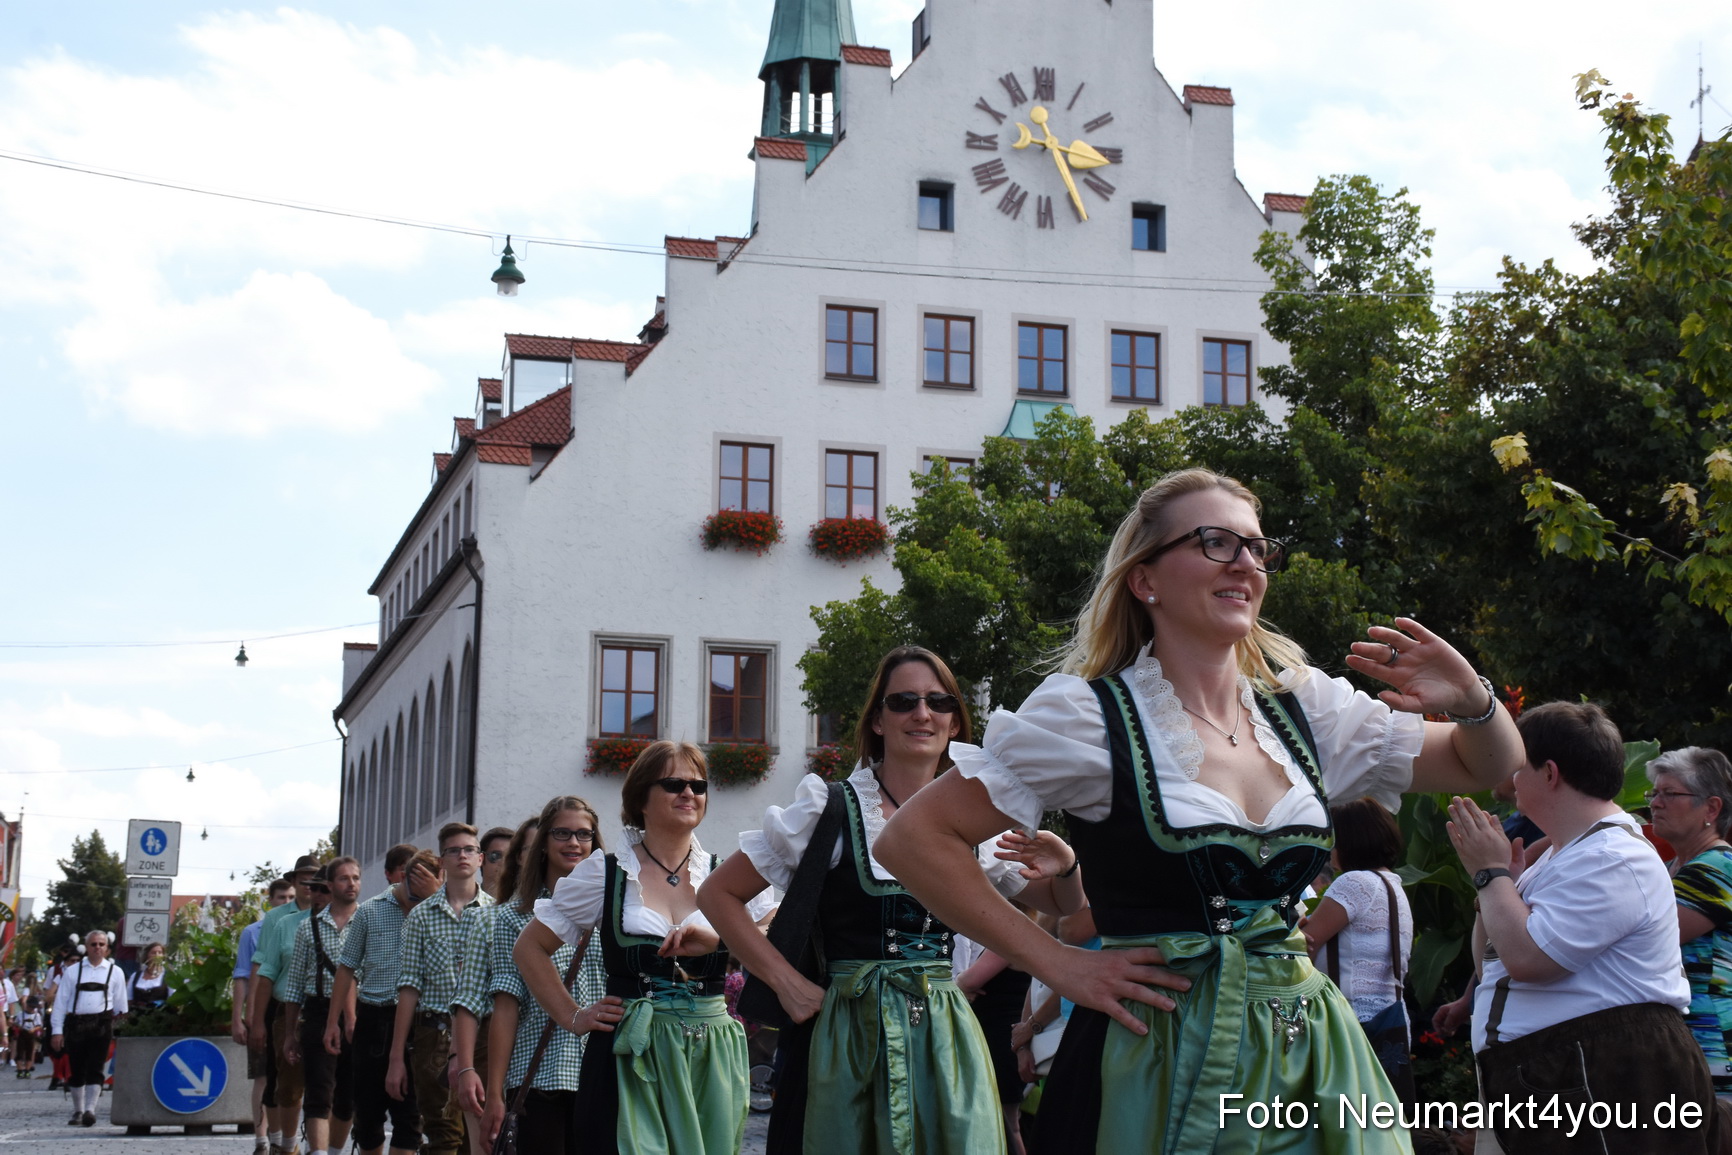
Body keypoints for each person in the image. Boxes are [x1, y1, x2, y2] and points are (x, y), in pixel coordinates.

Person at [874, 468, 1527, 1154]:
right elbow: (912, 840)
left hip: (1308, 1062)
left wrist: (1473, 699)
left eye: (1256, 546)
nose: (1246, 562)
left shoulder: (1306, 709)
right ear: (1145, 579)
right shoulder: (1085, 717)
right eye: (1216, 541)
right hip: (1155, 1063)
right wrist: (1060, 962)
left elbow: (1489, 763)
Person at [701, 645, 1086, 1155]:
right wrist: (787, 983)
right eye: (903, 701)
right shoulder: (829, 807)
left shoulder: (975, 826)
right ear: (878, 720)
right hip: (846, 1032)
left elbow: (1062, 905)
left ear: (954, 721)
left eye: (939, 702)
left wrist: (1067, 865)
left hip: (942, 1033)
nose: (922, 713)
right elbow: (718, 893)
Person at [1448, 702, 1716, 1152]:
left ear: (1549, 773)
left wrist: (1490, 874)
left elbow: (1531, 961)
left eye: (1519, 766)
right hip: (1552, 1079)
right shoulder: (1563, 853)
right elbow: (1494, 963)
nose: (1511, 780)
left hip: (1597, 1081)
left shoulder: (1613, 857)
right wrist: (1498, 889)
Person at [516, 740, 763, 1155]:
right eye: (673, 783)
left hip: (711, 1053)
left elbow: (773, 941)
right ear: (641, 798)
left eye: (698, 785)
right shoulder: (606, 873)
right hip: (631, 1051)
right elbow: (530, 948)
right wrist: (574, 1016)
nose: (689, 793)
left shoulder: (726, 873)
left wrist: (722, 939)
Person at [456, 796, 607, 1153]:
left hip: (603, 1073)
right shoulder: (514, 917)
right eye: (562, 833)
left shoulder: (616, 910)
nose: (573, 843)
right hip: (539, 1075)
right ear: (543, 845)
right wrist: (495, 1093)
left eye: (583, 835)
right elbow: (506, 1008)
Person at [387, 823, 494, 1155]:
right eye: (453, 850)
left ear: (480, 859)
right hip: (434, 1034)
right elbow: (408, 987)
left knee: (484, 1132)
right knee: (443, 1135)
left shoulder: (498, 913)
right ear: (442, 862)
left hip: (486, 1034)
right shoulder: (420, 917)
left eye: (469, 849)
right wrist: (396, 1057)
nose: (462, 855)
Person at [1302, 797, 1415, 1101]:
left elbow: (1305, 947)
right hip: (1389, 1021)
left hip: (1351, 1023)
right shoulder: (1392, 884)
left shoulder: (1353, 883)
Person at [331, 846, 440, 1155]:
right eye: (412, 881)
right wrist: (334, 1023)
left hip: (421, 1021)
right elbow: (347, 967)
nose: (416, 894)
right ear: (401, 877)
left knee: (410, 1116)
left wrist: (431, 901)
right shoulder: (371, 910)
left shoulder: (439, 913)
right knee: (367, 1114)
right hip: (375, 1018)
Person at [1645, 746, 1732, 1097]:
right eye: (1655, 793)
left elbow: (1647, 937)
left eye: (1670, 793)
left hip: (1711, 1043)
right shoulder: (1672, 869)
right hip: (1680, 1043)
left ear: (1711, 808)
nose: (1655, 803)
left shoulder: (1718, 867)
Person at [283, 858, 363, 1155]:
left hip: (361, 1016)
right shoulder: (308, 928)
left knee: (347, 1098)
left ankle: (333, 1151)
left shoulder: (369, 922)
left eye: (355, 878)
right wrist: (290, 1033)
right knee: (318, 1092)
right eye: (344, 879)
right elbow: (294, 987)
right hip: (318, 1012)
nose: (351, 884)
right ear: (330, 885)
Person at [251, 854, 321, 1155]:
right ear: (293, 881)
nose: (308, 885)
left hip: (320, 1008)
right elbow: (262, 968)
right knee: (280, 1079)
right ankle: (281, 1140)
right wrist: (255, 1018)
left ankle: (311, 1145)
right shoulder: (277, 919)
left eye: (314, 879)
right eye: (303, 879)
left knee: (321, 1085)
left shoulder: (334, 916)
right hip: (281, 1007)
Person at [236, 876, 294, 1153]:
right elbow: (242, 976)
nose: (286, 902)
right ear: (270, 901)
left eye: (290, 898)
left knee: (289, 1079)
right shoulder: (254, 932)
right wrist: (241, 1016)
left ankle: (282, 1137)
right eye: (281, 898)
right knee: (263, 1076)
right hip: (262, 1009)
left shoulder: (301, 925)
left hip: (289, 1008)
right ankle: (261, 1137)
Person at [50, 929, 128, 1127]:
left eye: (101, 944)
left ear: (107, 948)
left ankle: (90, 1110)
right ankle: (77, 1109)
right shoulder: (73, 971)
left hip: (102, 1024)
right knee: (76, 1069)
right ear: (87, 947)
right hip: (76, 1024)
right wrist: (57, 1031)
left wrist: (121, 1030)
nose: (97, 948)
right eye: (94, 944)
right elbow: (60, 1002)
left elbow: (121, 1005)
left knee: (96, 1067)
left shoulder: (115, 972)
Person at [129, 942, 172, 1010]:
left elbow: (172, 999)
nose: (157, 955)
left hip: (160, 1016)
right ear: (147, 955)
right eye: (153, 953)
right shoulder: (135, 976)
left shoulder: (168, 976)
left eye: (160, 952)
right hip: (136, 1016)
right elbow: (129, 999)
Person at [480, 826, 516, 901]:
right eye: (496, 855)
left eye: (510, 856)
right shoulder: (467, 903)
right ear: (481, 859)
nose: (503, 862)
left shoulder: (527, 904)